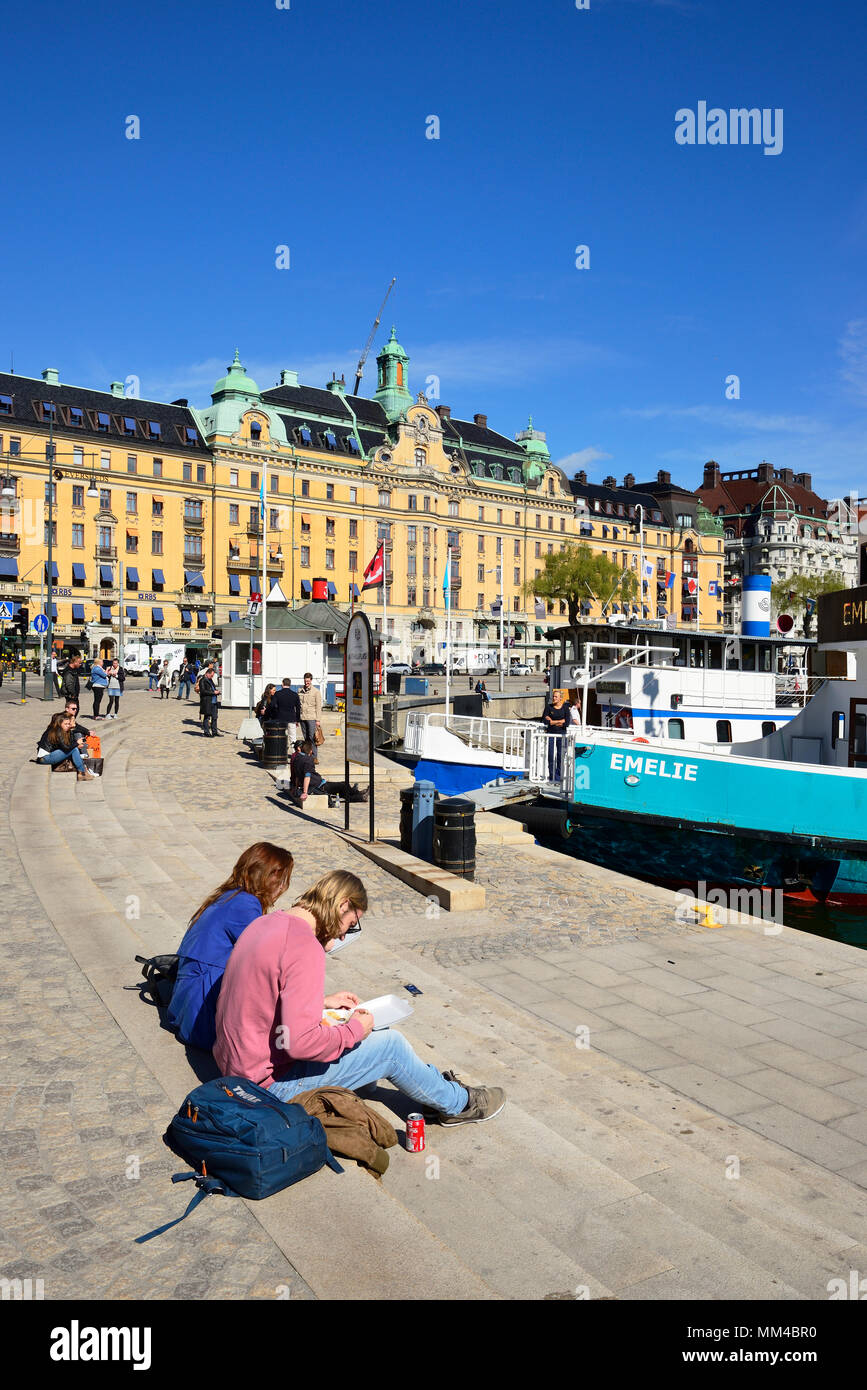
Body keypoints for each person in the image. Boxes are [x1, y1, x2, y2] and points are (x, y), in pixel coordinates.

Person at [214, 870, 506, 1125]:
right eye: (351, 924)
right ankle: (460, 1105)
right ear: (342, 905)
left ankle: (426, 1085)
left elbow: (263, 997)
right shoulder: (304, 948)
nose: (344, 936)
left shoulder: (267, 923)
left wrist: (321, 1003)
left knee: (361, 1032)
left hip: (234, 1067)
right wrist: (355, 1030)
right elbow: (300, 1044)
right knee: (389, 1044)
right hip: (267, 1087)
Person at [167, 842, 295, 1051]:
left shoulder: (231, 895)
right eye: (282, 881)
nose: (282, 888)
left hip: (188, 1002)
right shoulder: (245, 904)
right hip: (201, 1012)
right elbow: (268, 953)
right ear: (269, 878)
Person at [36, 713, 99, 780]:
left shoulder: (60, 731)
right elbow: (66, 748)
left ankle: (84, 770)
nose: (68, 726)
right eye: (65, 724)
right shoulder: (58, 732)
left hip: (49, 755)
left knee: (74, 749)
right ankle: (82, 773)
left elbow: (68, 745)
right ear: (60, 724)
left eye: (68, 724)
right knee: (74, 749)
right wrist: (77, 743)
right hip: (44, 758)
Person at [542, 687, 568, 782]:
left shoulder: (565, 708)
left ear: (560, 698)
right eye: (553, 696)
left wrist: (552, 721)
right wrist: (559, 721)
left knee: (560, 756)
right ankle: (552, 776)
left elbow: (567, 723)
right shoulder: (549, 707)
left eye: (556, 697)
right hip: (551, 735)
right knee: (550, 756)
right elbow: (545, 721)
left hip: (562, 735)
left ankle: (559, 777)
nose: (554, 698)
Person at [267, 677, 301, 743]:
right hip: (292, 718)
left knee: (281, 737)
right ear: (290, 684)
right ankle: (294, 753)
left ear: (282, 684)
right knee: (292, 738)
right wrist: (297, 720)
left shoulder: (277, 694)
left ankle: (282, 752)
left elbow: (272, 705)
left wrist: (273, 714)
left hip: (280, 719)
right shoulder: (295, 695)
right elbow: (298, 708)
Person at [297, 673, 323, 755]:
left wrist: (318, 720)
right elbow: (298, 705)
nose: (306, 682)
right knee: (306, 738)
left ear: (311, 680)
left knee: (312, 738)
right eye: (305, 681)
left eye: (308, 681)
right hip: (302, 718)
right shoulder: (300, 690)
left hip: (312, 718)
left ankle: (314, 756)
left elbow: (319, 707)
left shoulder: (316, 692)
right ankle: (308, 754)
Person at [197, 662, 220, 736]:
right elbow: (203, 691)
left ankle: (214, 731)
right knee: (207, 717)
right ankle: (206, 732)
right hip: (207, 701)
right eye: (211, 675)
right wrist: (214, 692)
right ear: (207, 673)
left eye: (213, 676)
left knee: (214, 717)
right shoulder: (203, 680)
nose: (212, 677)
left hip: (213, 701)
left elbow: (213, 688)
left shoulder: (210, 680)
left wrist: (217, 692)